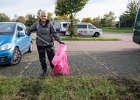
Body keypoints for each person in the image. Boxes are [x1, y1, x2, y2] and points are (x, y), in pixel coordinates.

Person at [26, 10, 64, 77]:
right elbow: (29, 29)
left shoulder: (50, 24)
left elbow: (54, 33)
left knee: (52, 58)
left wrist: (59, 41)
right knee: (42, 59)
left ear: (47, 16)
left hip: (49, 44)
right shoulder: (36, 24)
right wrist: (28, 31)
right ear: (40, 16)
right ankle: (44, 71)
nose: (43, 17)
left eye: (45, 16)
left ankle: (55, 71)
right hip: (40, 45)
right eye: (42, 16)